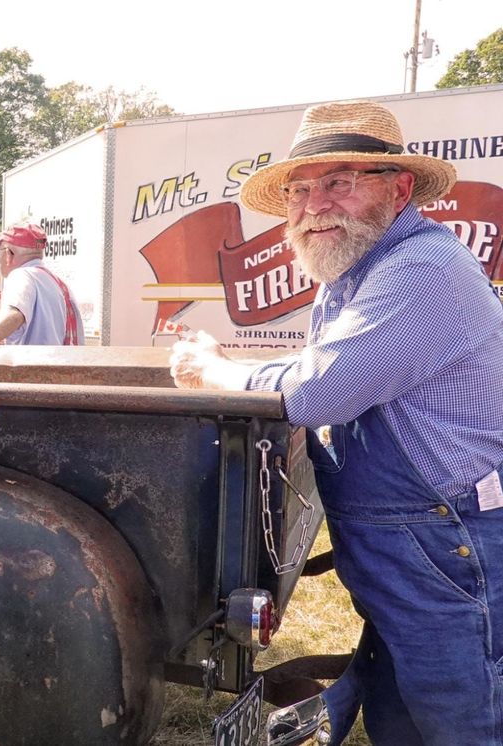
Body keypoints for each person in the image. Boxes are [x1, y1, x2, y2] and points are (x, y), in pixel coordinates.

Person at [168, 100, 503, 744]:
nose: (313, 203)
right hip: (412, 545)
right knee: (403, 714)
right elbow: (328, 365)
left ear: (399, 188)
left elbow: (318, 390)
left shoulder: (422, 269)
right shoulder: (357, 271)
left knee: (466, 720)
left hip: (449, 542)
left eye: (339, 183)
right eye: (299, 188)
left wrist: (214, 371)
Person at [0, 221, 84, 353]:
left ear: (8, 254)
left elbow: (15, 313)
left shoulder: (21, 276)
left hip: (33, 371)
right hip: (61, 369)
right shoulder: (59, 283)